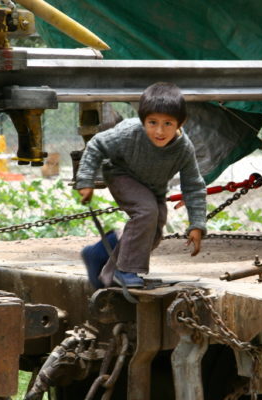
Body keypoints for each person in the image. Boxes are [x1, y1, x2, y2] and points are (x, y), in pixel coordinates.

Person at [76, 82, 207, 289]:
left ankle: (101, 251)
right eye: (152, 122)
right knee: (146, 211)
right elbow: (96, 144)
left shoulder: (184, 149)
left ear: (181, 123)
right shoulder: (129, 133)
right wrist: (86, 180)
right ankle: (124, 271)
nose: (159, 131)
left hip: (153, 187)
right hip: (121, 174)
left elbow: (194, 186)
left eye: (168, 124)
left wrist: (197, 224)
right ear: (142, 120)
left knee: (152, 233)